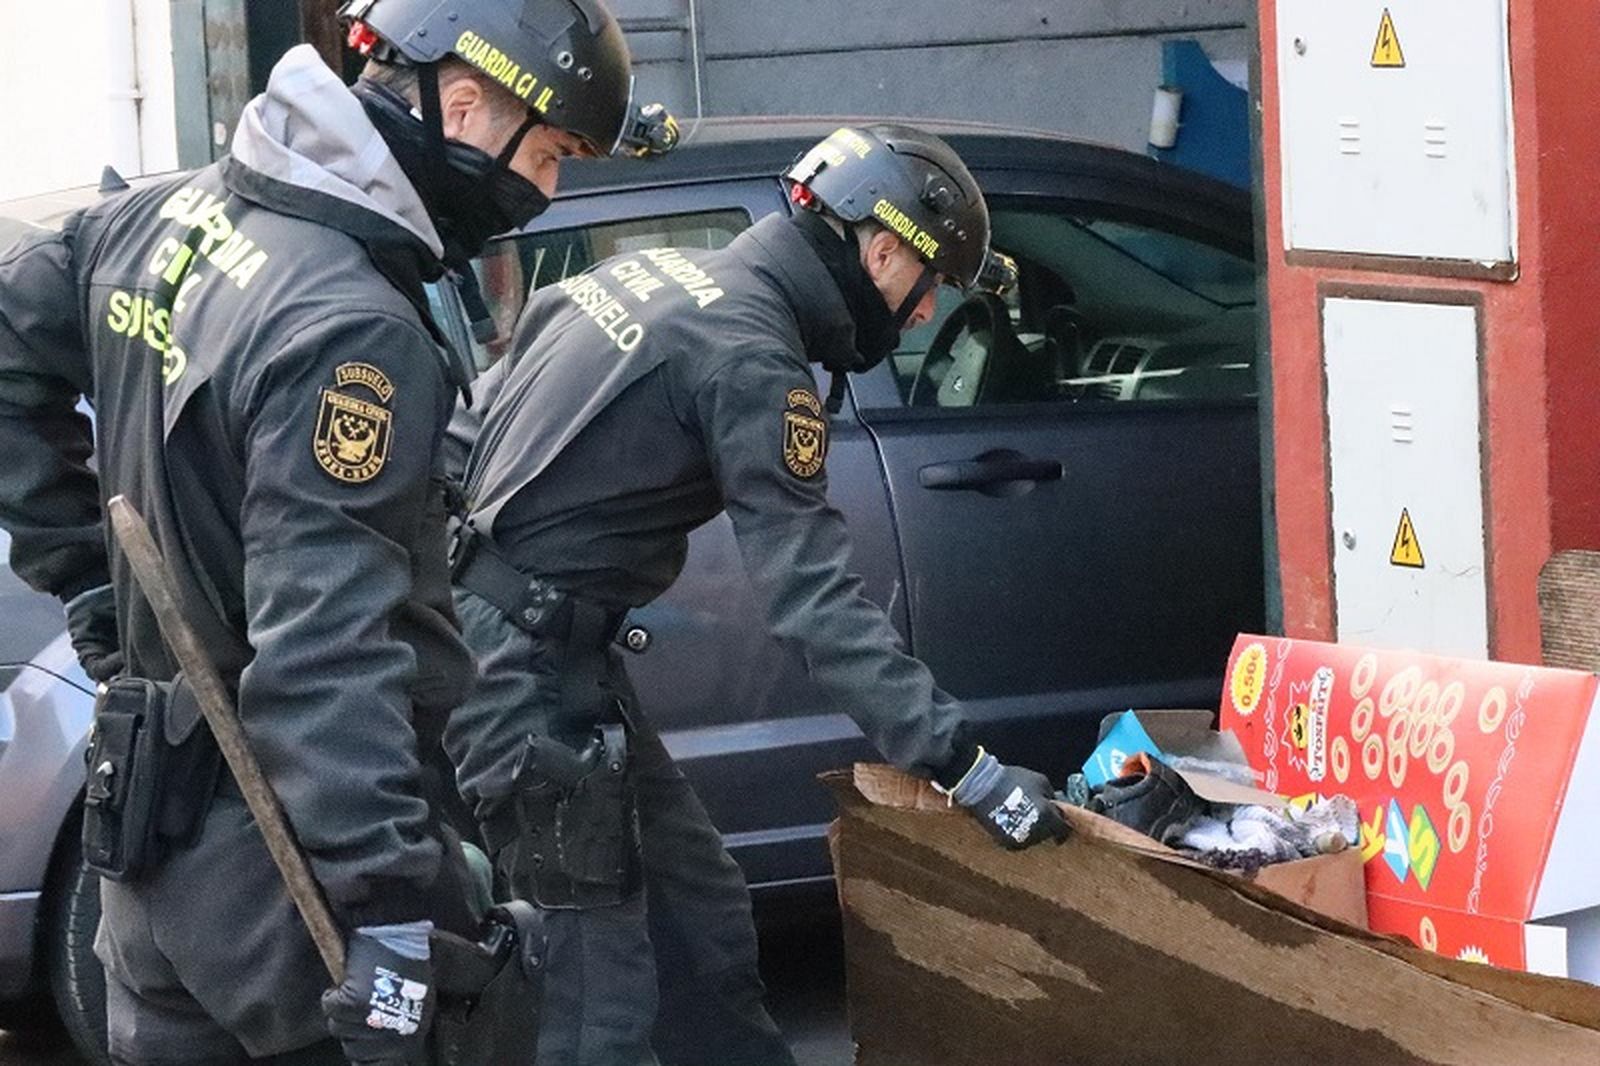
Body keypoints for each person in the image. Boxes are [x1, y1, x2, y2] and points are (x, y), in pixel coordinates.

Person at [0, 0, 673, 1062]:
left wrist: (92, 593)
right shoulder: (350, 325)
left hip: (146, 854)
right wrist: (390, 909)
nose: (544, 191)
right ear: (464, 105)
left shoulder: (161, 220)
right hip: (285, 877)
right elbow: (326, 650)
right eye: (546, 154)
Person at [443, 123, 1070, 1066]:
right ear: (882, 246)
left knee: (699, 919)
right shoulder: (752, 358)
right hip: (521, 676)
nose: (926, 307)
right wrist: (966, 767)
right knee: (593, 1006)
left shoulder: (643, 275)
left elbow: (462, 431)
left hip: (540, 653)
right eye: (929, 279)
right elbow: (814, 599)